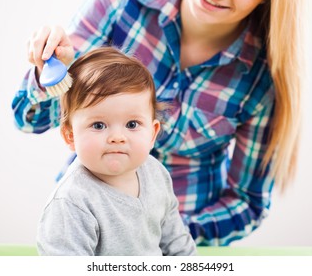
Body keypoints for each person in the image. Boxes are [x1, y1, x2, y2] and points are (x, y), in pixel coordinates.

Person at [13, 0, 304, 245]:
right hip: (87, 230)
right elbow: (29, 119)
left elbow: (246, 202)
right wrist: (51, 74)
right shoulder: (122, 4)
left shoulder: (263, 79)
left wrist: (169, 233)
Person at [37, 47, 197, 256]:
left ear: (152, 133)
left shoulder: (156, 174)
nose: (117, 137)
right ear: (70, 136)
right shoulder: (72, 203)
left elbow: (177, 243)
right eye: (99, 125)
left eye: (132, 124)